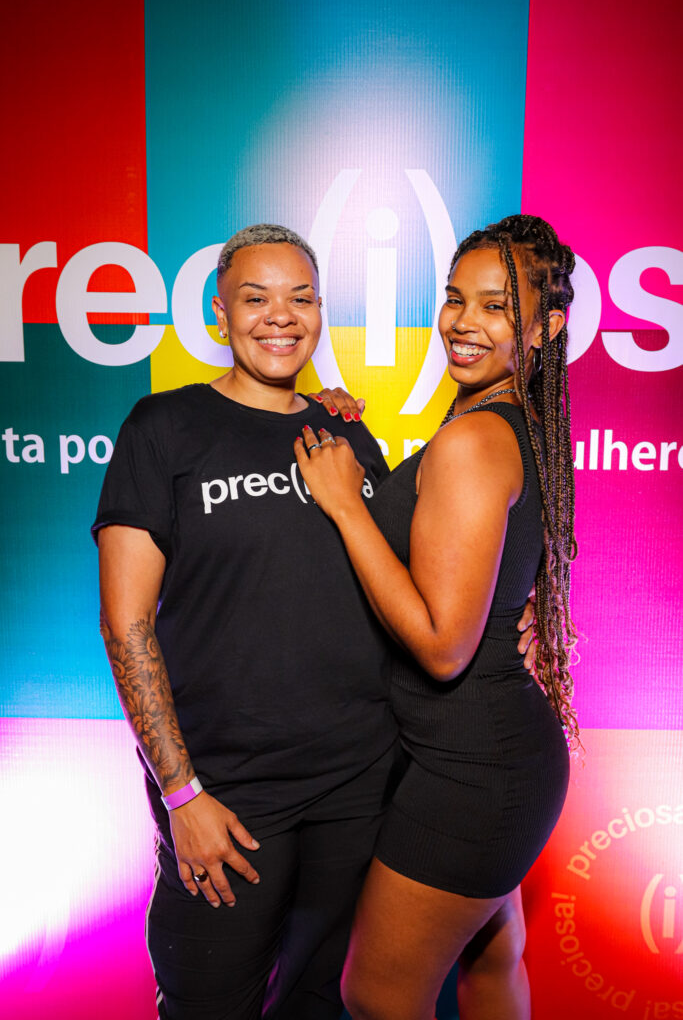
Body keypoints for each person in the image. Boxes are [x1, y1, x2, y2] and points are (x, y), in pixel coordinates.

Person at [93, 224, 401, 1020]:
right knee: (208, 1004)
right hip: (228, 796)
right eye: (255, 298)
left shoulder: (344, 429)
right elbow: (126, 624)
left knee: (322, 1001)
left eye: (300, 298)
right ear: (219, 314)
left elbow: (393, 583)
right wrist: (181, 793)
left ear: (320, 310)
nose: (280, 316)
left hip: (358, 784)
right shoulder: (163, 427)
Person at [294, 214, 578, 1020]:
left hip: (472, 772)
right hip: (495, 760)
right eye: (456, 299)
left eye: (496, 306)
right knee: (490, 965)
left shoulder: (473, 441)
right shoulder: (514, 426)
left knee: (374, 994)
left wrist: (346, 506)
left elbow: (442, 647)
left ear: (544, 328)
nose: (463, 322)